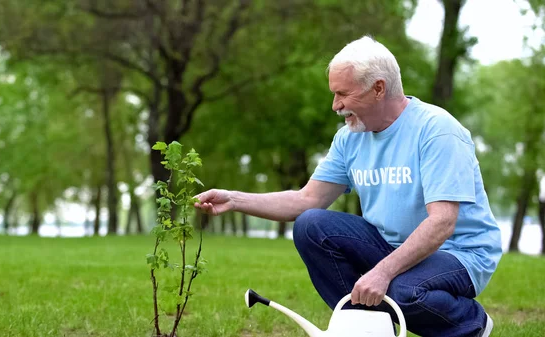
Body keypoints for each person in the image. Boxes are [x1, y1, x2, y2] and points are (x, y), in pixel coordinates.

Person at [194, 36, 502, 337]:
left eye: (343, 94)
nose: (335, 105)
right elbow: (307, 200)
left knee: (401, 290)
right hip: (390, 244)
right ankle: (364, 329)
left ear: (378, 88)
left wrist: (383, 272)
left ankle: (469, 324)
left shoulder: (437, 130)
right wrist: (234, 199)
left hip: (458, 253)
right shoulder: (350, 137)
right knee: (311, 224)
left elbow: (442, 222)